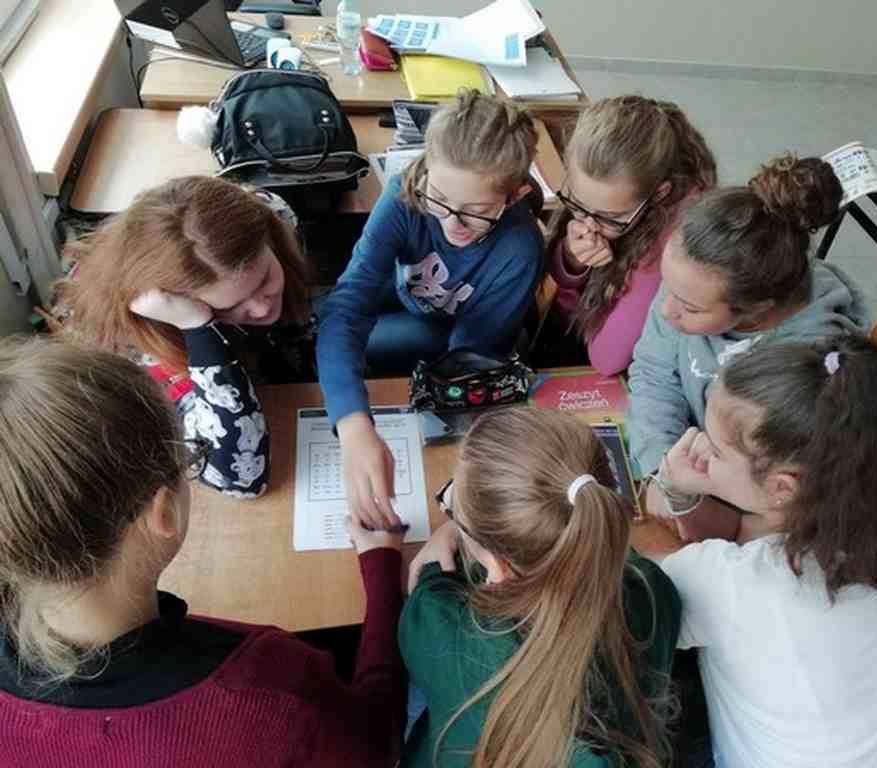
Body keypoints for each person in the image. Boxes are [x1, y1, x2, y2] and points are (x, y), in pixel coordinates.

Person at [0, 337, 406, 768]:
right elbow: (376, 741)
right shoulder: (269, 687)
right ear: (162, 511)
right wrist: (382, 570)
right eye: (189, 458)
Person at [654, 335, 877, 767]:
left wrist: (670, 485)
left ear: (783, 488)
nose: (697, 443)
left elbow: (646, 578)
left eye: (714, 445)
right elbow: (752, 529)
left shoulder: (736, 584)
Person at [317, 90, 546, 531]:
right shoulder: (408, 192)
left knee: (366, 349)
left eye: (477, 212)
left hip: (455, 333)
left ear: (515, 195)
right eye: (438, 198)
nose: (451, 222)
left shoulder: (520, 251)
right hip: (407, 291)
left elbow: (463, 366)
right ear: (426, 169)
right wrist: (352, 424)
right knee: (331, 329)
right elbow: (348, 304)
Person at [401, 409, 680, 768]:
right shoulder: (652, 590)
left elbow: (427, 591)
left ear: (498, 567)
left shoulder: (442, 628)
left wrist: (448, 535)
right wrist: (471, 525)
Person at [627, 153, 867, 539]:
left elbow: (768, 500)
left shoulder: (805, 370)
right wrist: (660, 466)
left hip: (748, 507)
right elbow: (654, 371)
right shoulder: (693, 280)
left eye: (690, 307)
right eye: (665, 287)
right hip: (690, 473)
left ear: (756, 310)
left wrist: (682, 490)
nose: (666, 310)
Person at [57, 176, 313, 498]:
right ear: (175, 304)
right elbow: (239, 479)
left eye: (264, 280)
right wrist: (199, 329)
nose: (261, 309)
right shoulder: (133, 344)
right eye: (228, 306)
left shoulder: (273, 213)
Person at [539, 95, 717, 375]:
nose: (589, 225)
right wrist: (573, 259)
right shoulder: (610, 196)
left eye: (610, 217)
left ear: (659, 194)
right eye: (577, 205)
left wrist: (599, 279)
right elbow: (561, 302)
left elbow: (607, 358)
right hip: (582, 323)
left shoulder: (675, 239)